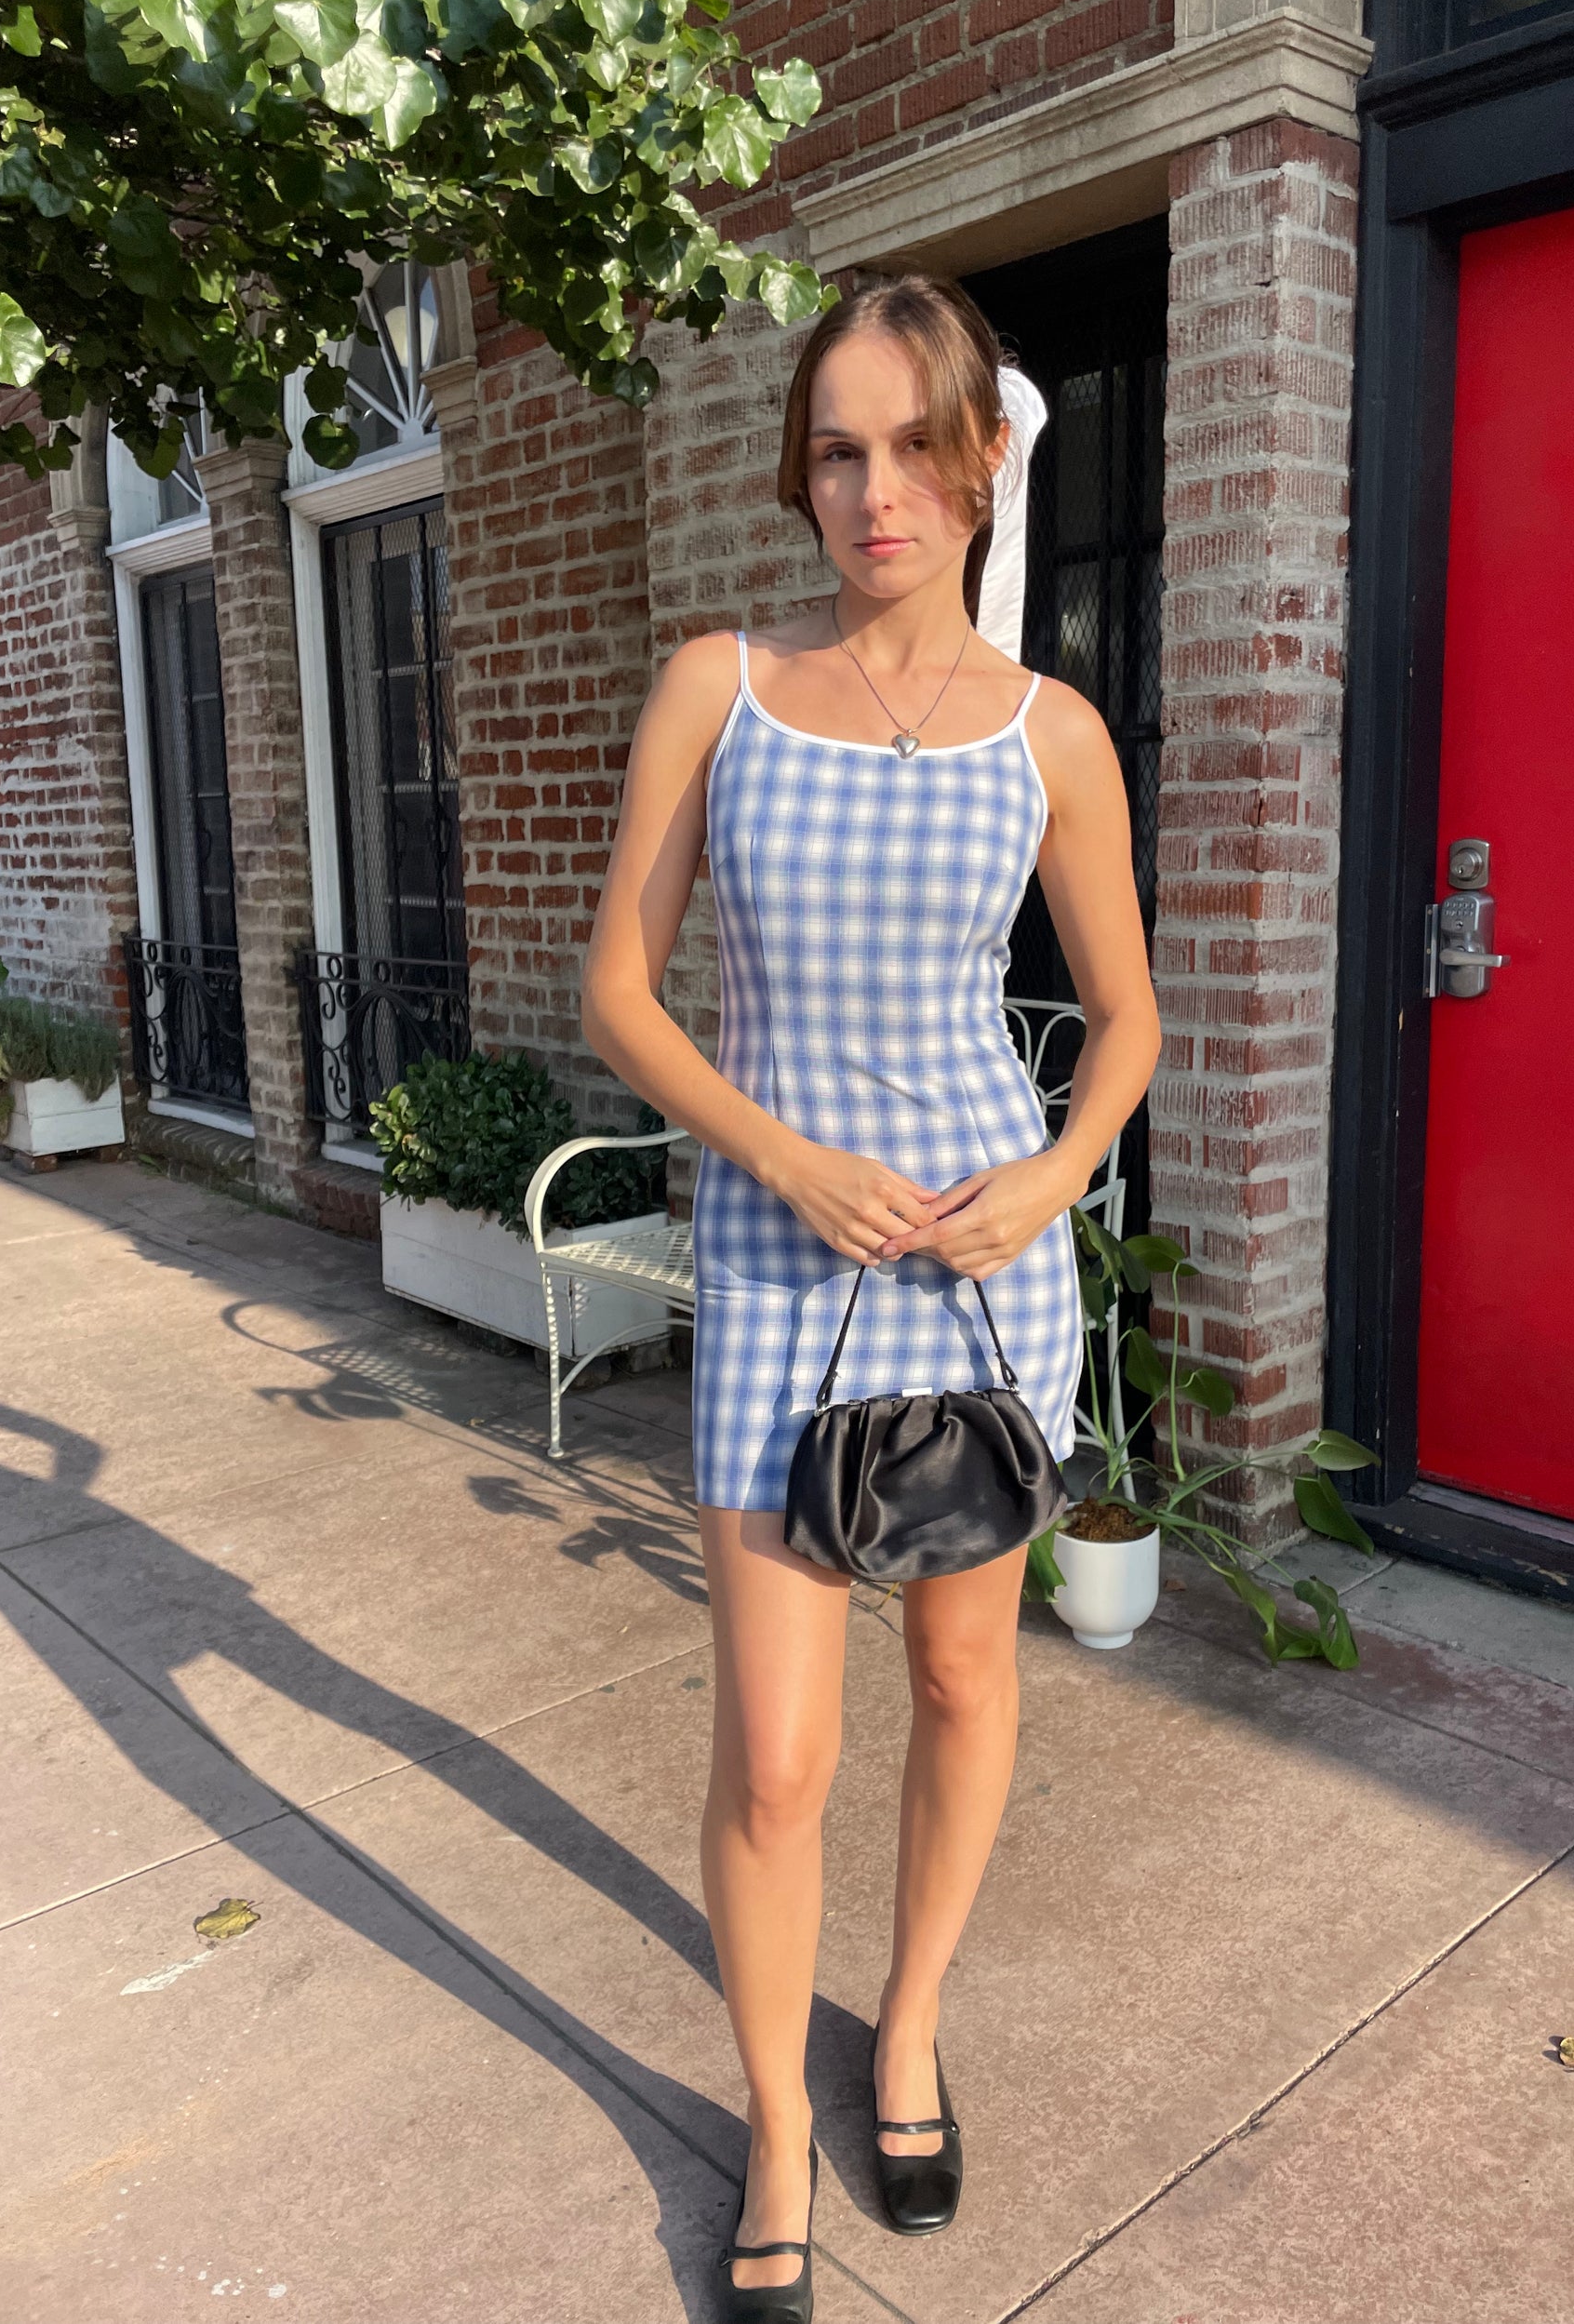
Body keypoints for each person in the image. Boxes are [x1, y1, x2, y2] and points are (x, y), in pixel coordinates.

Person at [580, 272, 1161, 2322]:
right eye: (837, 449)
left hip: (984, 1280)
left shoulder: (1051, 734)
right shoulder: (719, 689)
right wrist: (783, 1157)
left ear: (983, 459)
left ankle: (903, 2031)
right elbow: (618, 990)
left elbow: (1126, 1020)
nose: (876, 489)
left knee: (967, 1682)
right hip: (777, 1261)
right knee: (772, 1752)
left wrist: (1055, 1176)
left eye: (917, 443)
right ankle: (771, 2119)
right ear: (800, 473)